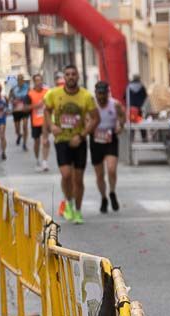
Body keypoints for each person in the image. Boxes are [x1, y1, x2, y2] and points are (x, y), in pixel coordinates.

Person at [44, 65, 98, 224]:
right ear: (64, 77)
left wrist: (81, 136)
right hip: (62, 140)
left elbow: (95, 118)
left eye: (73, 74)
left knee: (78, 179)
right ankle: (69, 202)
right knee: (66, 175)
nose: (71, 77)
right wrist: (51, 126)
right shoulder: (54, 94)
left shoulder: (86, 96)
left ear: (78, 77)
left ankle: (78, 211)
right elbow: (47, 111)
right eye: (67, 74)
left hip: (79, 140)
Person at [89, 81, 124, 213]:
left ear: (108, 93)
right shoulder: (91, 105)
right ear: (96, 93)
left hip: (110, 138)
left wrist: (120, 125)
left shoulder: (115, 104)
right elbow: (87, 119)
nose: (102, 97)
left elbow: (122, 118)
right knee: (99, 174)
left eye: (104, 94)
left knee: (111, 169)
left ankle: (112, 192)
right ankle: (103, 197)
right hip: (96, 140)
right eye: (99, 94)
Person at [28, 75, 49, 171]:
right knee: (37, 142)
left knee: (45, 140)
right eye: (37, 80)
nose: (39, 82)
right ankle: (37, 159)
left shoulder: (47, 92)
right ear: (34, 82)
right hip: (35, 122)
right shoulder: (30, 94)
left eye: (40, 80)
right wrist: (37, 105)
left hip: (45, 121)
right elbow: (26, 107)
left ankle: (44, 161)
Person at [11, 73, 30, 149]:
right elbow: (10, 98)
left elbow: (30, 96)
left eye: (21, 79)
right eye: (19, 79)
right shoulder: (14, 88)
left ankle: (24, 144)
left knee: (25, 126)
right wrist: (13, 101)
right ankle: (19, 135)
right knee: (17, 129)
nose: (20, 80)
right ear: (17, 80)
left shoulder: (27, 87)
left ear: (23, 79)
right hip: (16, 110)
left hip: (24, 109)